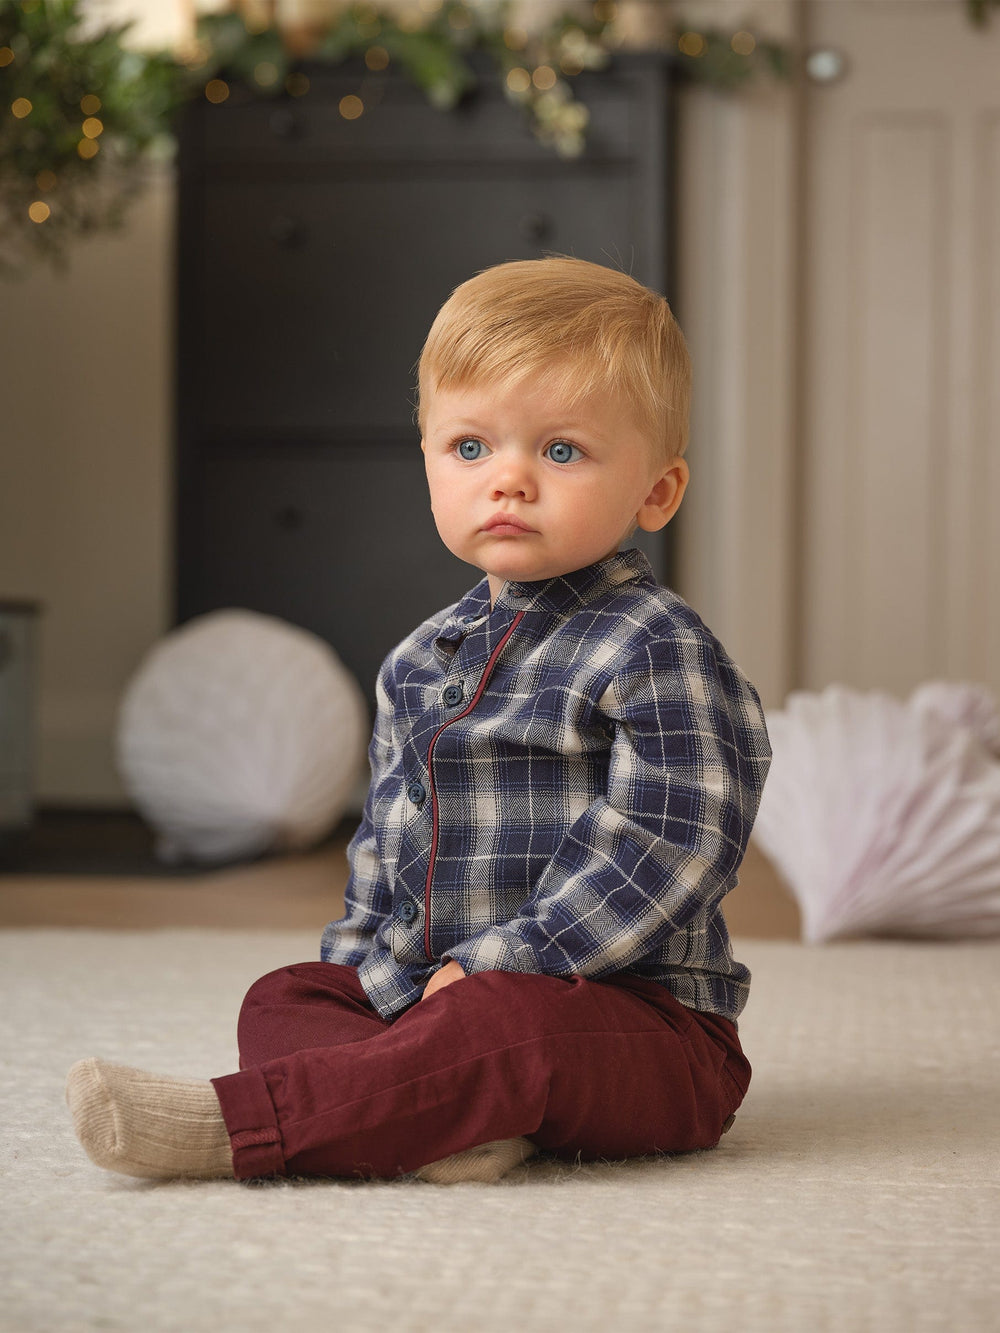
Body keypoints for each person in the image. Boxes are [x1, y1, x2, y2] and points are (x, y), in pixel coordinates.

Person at [66, 257, 771, 1185]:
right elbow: (386, 842)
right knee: (286, 995)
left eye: (561, 451)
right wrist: (367, 978)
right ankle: (442, 1113)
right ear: (430, 461)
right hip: (440, 1004)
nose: (508, 480)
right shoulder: (417, 661)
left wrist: (500, 965)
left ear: (657, 491)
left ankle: (239, 1130)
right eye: (470, 447)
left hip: (630, 1022)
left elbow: (667, 842)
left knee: (506, 1026)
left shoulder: (656, 646)